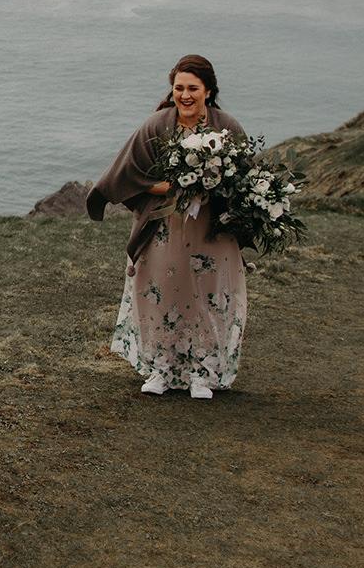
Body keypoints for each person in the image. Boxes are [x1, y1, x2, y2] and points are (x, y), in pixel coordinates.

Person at [86, 54, 248, 399]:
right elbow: (130, 175)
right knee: (159, 292)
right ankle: (160, 369)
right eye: (179, 88)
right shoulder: (156, 125)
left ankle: (202, 373)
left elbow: (245, 179)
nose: (185, 95)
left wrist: (214, 187)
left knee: (208, 297)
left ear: (208, 90)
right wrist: (177, 187)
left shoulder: (227, 127)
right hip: (164, 227)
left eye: (193, 88)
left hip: (211, 230)